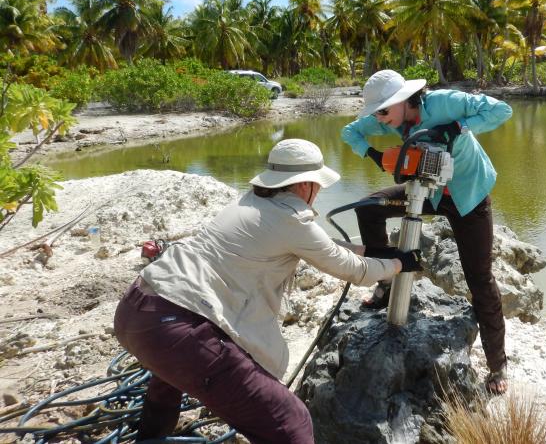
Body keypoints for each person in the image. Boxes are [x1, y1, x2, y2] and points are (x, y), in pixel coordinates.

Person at [113, 138, 421, 443]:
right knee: (291, 421)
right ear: (304, 185)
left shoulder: (248, 202)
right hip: (178, 330)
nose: (317, 193)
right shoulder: (292, 220)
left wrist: (373, 250)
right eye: (317, 185)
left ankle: (149, 437)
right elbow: (356, 271)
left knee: (166, 383)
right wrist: (399, 263)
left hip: (137, 312)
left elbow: (320, 246)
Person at [341, 69, 513, 395]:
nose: (380, 119)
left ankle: (497, 363)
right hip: (427, 191)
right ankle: (387, 283)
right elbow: (351, 133)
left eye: (384, 110)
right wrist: (376, 155)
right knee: (368, 208)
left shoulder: (444, 103)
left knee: (479, 278)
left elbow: (500, 110)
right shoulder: (386, 120)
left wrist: (457, 127)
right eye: (376, 112)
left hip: (468, 197)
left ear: (405, 101)